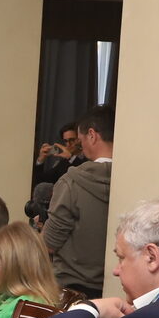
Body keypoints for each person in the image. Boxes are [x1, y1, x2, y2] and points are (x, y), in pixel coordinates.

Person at [44, 107, 114, 297]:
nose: (80, 147)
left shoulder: (72, 182)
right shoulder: (134, 179)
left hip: (73, 289)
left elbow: (49, 243)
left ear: (92, 135)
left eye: (80, 141)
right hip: (116, 288)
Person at [33, 123, 83, 188]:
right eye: (66, 141)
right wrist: (40, 160)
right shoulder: (63, 162)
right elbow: (41, 181)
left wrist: (70, 157)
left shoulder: (88, 157)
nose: (68, 144)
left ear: (79, 139)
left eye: (72, 140)